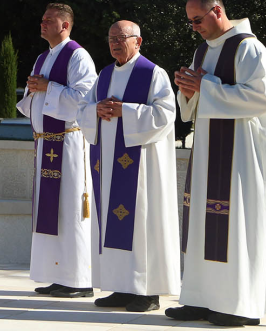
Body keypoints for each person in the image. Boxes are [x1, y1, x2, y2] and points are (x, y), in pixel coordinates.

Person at [166, 0, 266, 326]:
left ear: (217, 11)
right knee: (202, 223)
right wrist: (188, 91)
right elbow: (195, 102)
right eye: (190, 22)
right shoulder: (202, 51)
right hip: (207, 151)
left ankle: (237, 305)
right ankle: (199, 299)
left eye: (197, 20)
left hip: (239, 156)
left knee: (234, 225)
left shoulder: (249, 48)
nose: (194, 27)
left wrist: (205, 86)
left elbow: (263, 99)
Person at [76, 21, 179, 313]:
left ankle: (148, 292)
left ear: (138, 41)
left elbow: (166, 114)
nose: (115, 43)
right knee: (111, 225)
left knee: (142, 225)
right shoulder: (105, 75)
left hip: (141, 167)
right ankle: (120, 287)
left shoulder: (152, 74)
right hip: (107, 166)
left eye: (121, 38)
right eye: (111, 38)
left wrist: (127, 111)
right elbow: (82, 109)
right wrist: (95, 110)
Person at [17, 3, 96, 298]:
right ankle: (57, 275)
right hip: (46, 143)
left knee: (71, 209)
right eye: (42, 19)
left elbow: (85, 98)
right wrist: (35, 89)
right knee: (52, 210)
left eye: (49, 20)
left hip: (69, 143)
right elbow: (35, 97)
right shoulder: (42, 57)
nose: (43, 23)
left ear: (65, 25)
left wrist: (47, 87)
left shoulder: (78, 56)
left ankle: (80, 280)